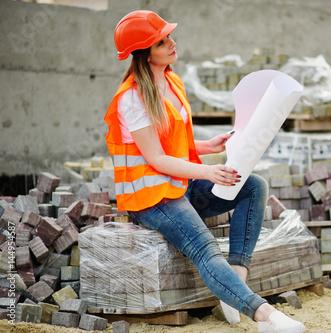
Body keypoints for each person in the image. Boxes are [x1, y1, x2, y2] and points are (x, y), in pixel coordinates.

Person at [104, 10, 307, 333]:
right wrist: (208, 172)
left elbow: (172, 142)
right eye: (162, 41)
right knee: (206, 250)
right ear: (144, 53)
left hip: (178, 185)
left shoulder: (170, 80)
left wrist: (208, 146)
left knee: (253, 186)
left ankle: (235, 286)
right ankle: (266, 316)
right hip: (151, 198)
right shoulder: (131, 98)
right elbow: (156, 158)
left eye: (169, 36)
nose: (172, 43)